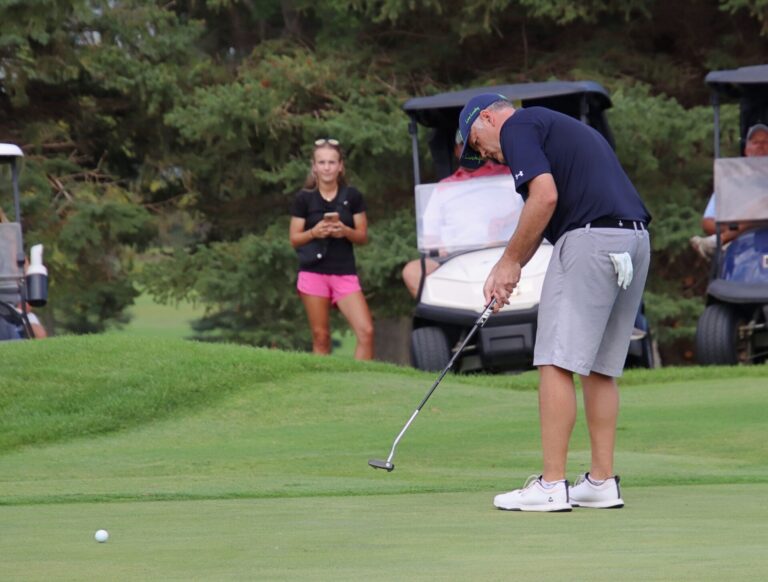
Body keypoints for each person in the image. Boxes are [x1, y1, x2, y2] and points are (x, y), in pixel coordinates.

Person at [458, 94, 651, 512]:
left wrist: (509, 262)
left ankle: (550, 485)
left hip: (590, 239)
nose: (486, 155)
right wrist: (513, 263)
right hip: (633, 241)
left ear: (488, 118)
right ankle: (600, 482)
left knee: (555, 360)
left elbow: (543, 198)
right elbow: (550, 202)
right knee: (599, 366)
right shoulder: (556, 126)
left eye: (476, 143)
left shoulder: (518, 127)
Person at [289, 138, 374, 360]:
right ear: (314, 166)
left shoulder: (352, 196)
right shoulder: (303, 199)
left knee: (365, 331)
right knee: (321, 336)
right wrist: (314, 233)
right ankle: (323, 387)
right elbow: (295, 238)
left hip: (344, 272)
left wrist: (344, 231)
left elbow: (362, 236)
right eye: (322, 162)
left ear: (340, 166)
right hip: (313, 272)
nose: (327, 167)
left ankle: (360, 384)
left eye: (332, 162)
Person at [402, 132, 512, 298]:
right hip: (457, 258)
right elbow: (431, 236)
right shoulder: (444, 187)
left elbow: (531, 209)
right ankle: (450, 316)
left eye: (474, 146)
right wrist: (439, 246)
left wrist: (505, 221)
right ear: (456, 150)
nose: (469, 151)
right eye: (464, 146)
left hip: (504, 251)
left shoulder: (508, 175)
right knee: (412, 272)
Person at [690, 123, 768, 259]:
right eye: (755, 142)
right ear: (747, 150)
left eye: (766, 142)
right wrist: (737, 227)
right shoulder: (732, 183)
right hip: (742, 251)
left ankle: (719, 241)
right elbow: (707, 222)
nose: (760, 145)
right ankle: (723, 239)